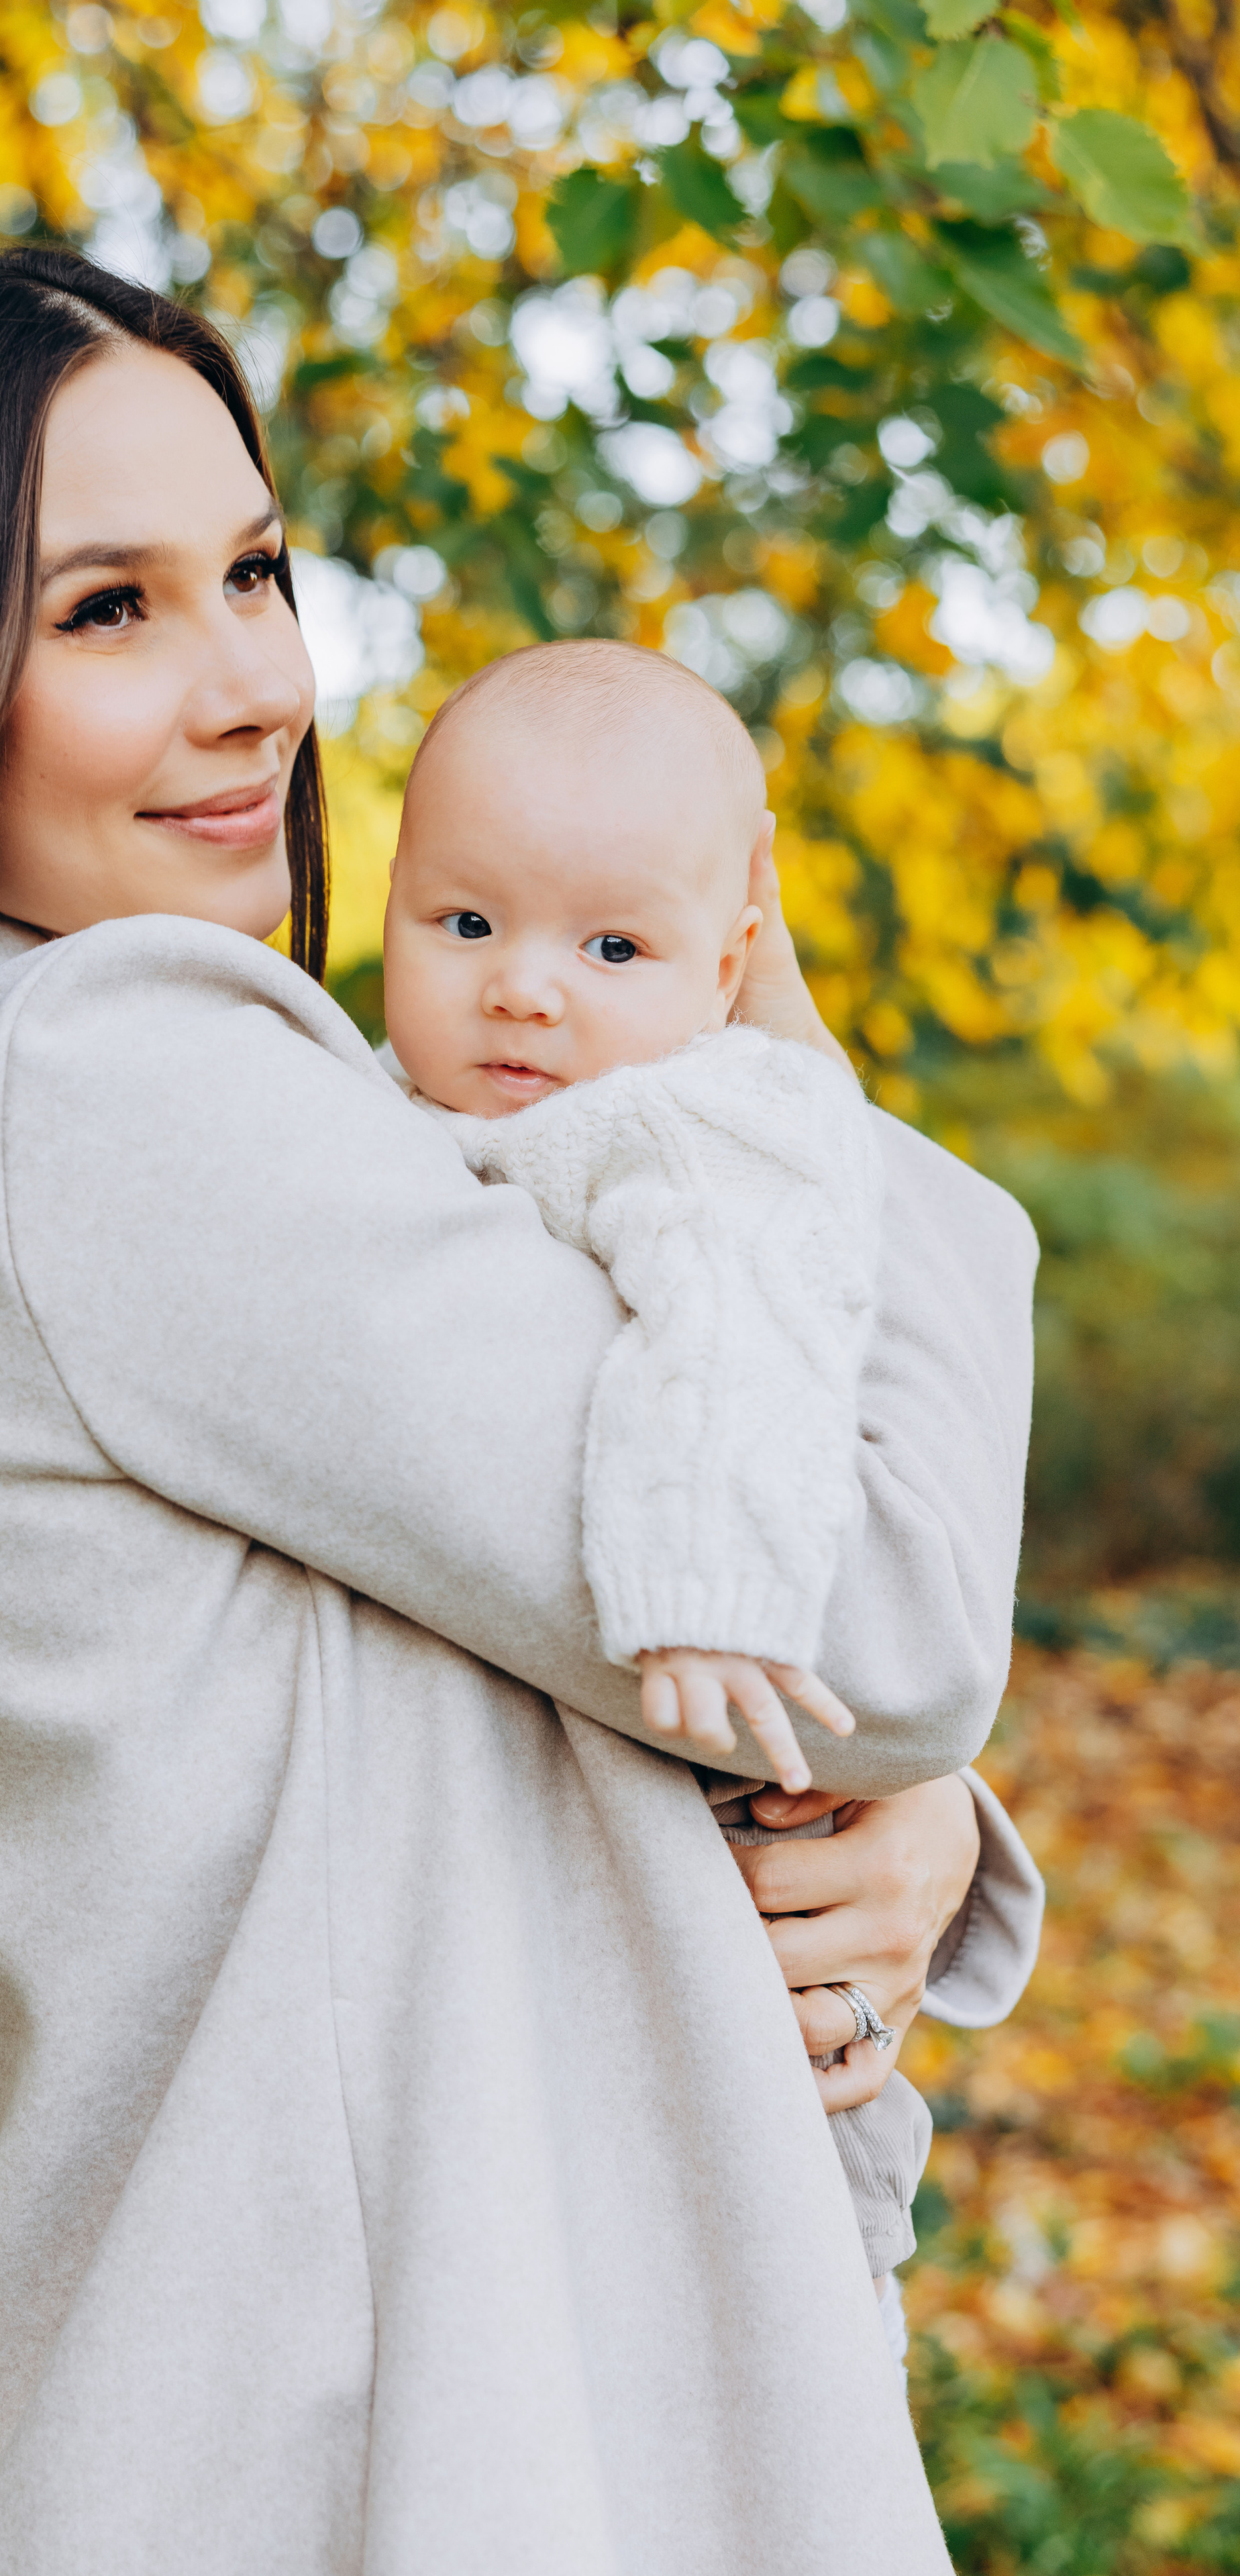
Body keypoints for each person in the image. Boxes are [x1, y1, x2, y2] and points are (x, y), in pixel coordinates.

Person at [0, 247, 1043, 2576]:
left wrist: (912, 1821)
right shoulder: (111, 1089)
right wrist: (809, 1097)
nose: (256, 683)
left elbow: (507, 1653)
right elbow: (862, 1611)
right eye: (108, 609)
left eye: (255, 571)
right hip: (362, 2463)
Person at [379, 636, 973, 2310]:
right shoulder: (395, 1109)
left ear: (728, 967)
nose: (521, 988)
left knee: (783, 2178)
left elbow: (737, 1330)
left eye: (610, 946)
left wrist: (706, 1582)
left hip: (721, 1714)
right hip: (531, 1842)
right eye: (463, 921)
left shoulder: (689, 1125)